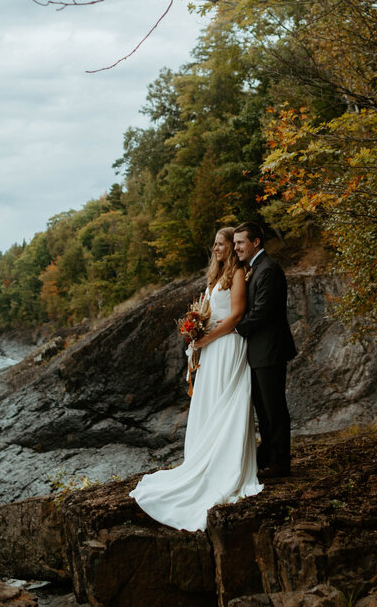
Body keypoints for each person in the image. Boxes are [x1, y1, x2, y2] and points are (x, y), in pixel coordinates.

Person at [130, 227, 263, 531]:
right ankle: (203, 461)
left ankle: (225, 468)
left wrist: (206, 338)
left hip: (228, 345)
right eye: (214, 244)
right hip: (213, 348)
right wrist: (198, 334)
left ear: (233, 247)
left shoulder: (239, 274)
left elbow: (237, 316)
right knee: (209, 405)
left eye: (222, 244)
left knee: (227, 403)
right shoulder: (215, 278)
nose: (217, 249)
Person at [233, 221, 297, 478]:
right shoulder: (255, 268)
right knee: (263, 408)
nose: (236, 247)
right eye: (235, 242)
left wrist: (236, 330)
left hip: (270, 349)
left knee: (274, 408)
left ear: (255, 242)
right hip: (259, 351)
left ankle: (280, 463)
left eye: (240, 242)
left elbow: (262, 311)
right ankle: (268, 457)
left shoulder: (268, 269)